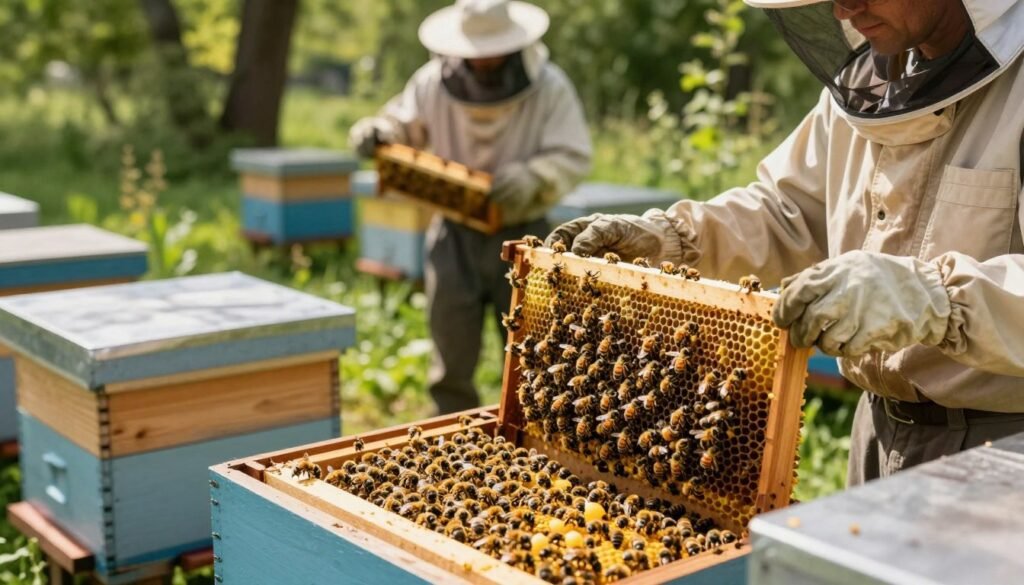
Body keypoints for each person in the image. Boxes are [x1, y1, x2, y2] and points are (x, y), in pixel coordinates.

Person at [547, 0, 1024, 485]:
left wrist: (932, 297)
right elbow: (788, 211)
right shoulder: (874, 79)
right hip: (878, 429)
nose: (844, 9)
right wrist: (672, 239)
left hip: (1006, 447)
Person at [350, 0, 592, 414]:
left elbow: (573, 155)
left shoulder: (549, 86)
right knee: (450, 348)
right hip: (452, 235)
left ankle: (530, 434)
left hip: (524, 234)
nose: (480, 62)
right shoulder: (431, 81)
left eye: (490, 50)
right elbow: (401, 125)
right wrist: (377, 131)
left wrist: (534, 176)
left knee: (532, 355)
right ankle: (450, 428)